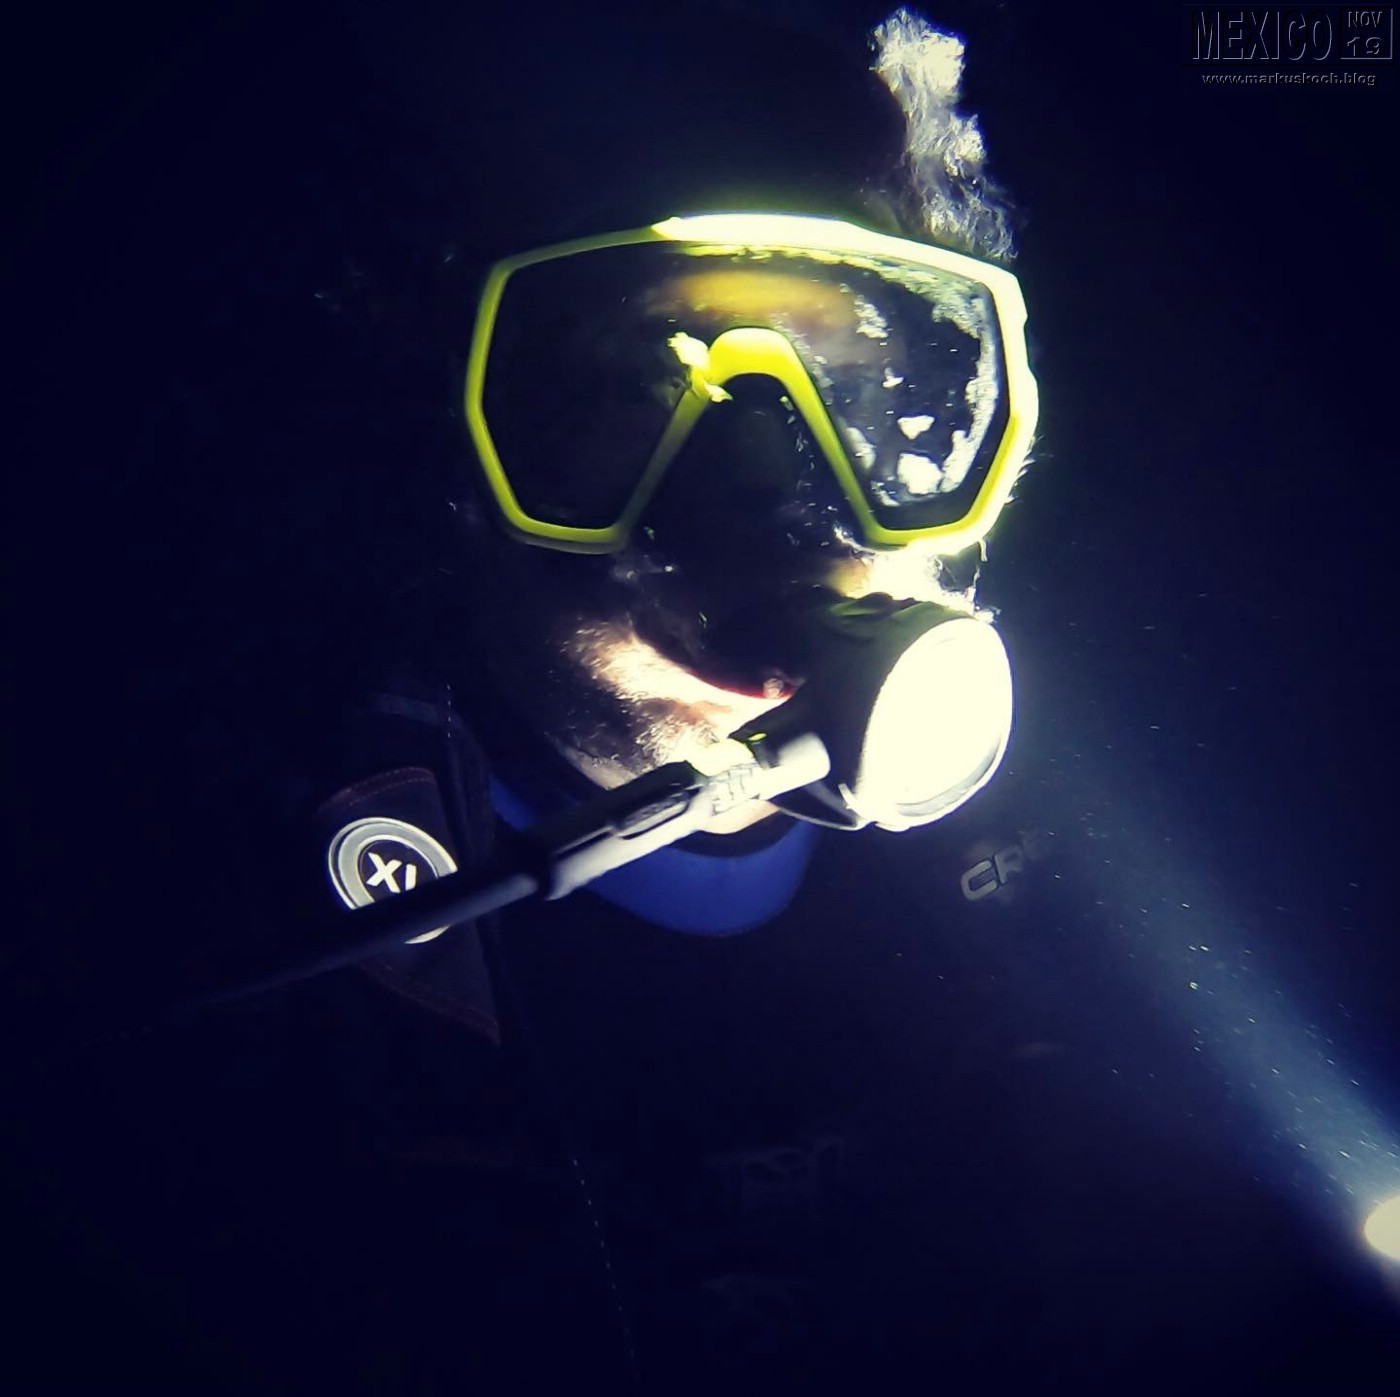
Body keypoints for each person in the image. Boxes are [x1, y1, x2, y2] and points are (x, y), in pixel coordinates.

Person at [13, 5, 1043, 1392]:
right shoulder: (209, 901)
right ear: (451, 430)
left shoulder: (1041, 899)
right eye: (640, 382)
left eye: (863, 394)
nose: (768, 513)